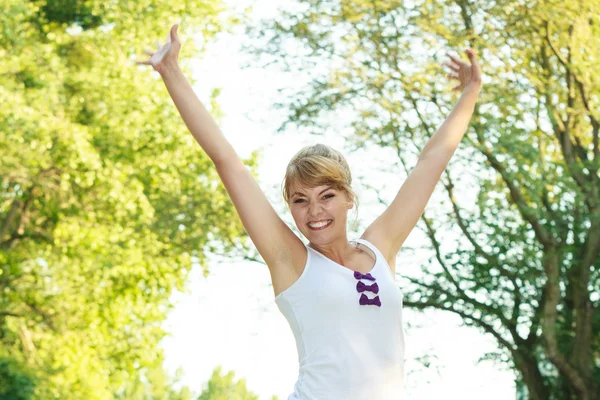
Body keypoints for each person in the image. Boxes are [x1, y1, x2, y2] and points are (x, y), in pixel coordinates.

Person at [136, 24, 482, 399]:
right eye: (300, 200)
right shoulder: (291, 261)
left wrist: (470, 91)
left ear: (349, 198)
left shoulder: (380, 247)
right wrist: (171, 72)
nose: (314, 210)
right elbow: (227, 161)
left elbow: (431, 162)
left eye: (327, 195)